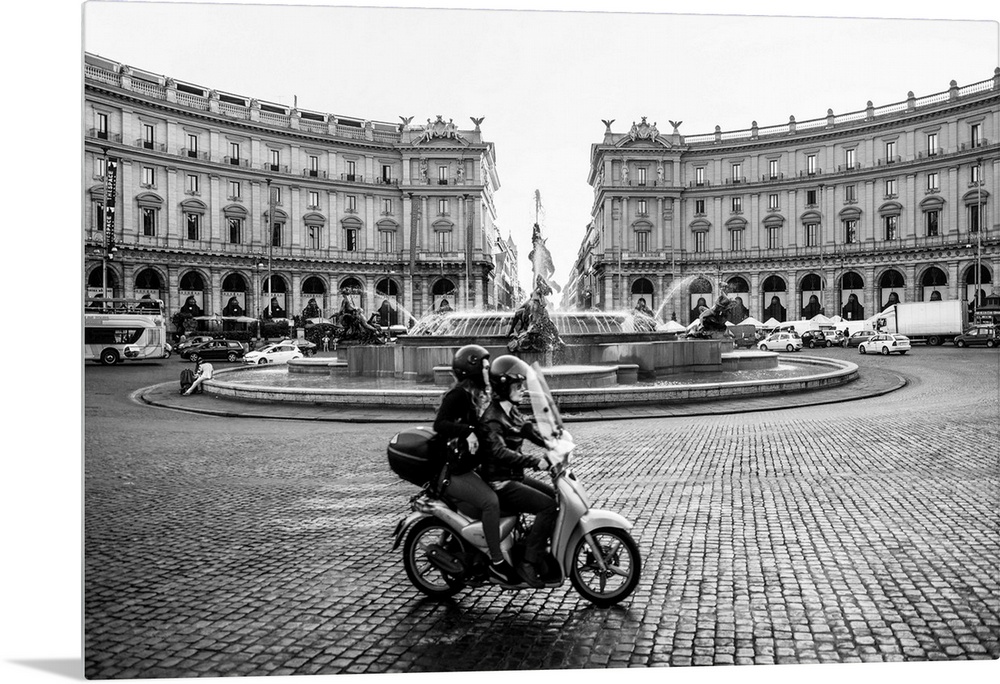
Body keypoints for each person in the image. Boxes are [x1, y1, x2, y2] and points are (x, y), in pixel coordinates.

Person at [432, 345, 517, 585]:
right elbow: (439, 425)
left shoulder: (477, 394)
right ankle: (497, 563)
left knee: (511, 495)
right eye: (485, 366)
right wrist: (467, 431)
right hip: (454, 471)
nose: (488, 370)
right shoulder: (458, 395)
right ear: (472, 369)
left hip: (471, 467)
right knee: (491, 502)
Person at [477, 356, 557, 588]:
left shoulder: (511, 412)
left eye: (522, 385)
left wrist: (555, 442)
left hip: (514, 477)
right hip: (500, 482)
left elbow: (529, 430)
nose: (522, 390)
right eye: (517, 386)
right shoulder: (492, 419)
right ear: (503, 387)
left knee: (555, 497)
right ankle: (529, 562)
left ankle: (530, 545)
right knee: (548, 507)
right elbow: (500, 453)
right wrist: (535, 461)